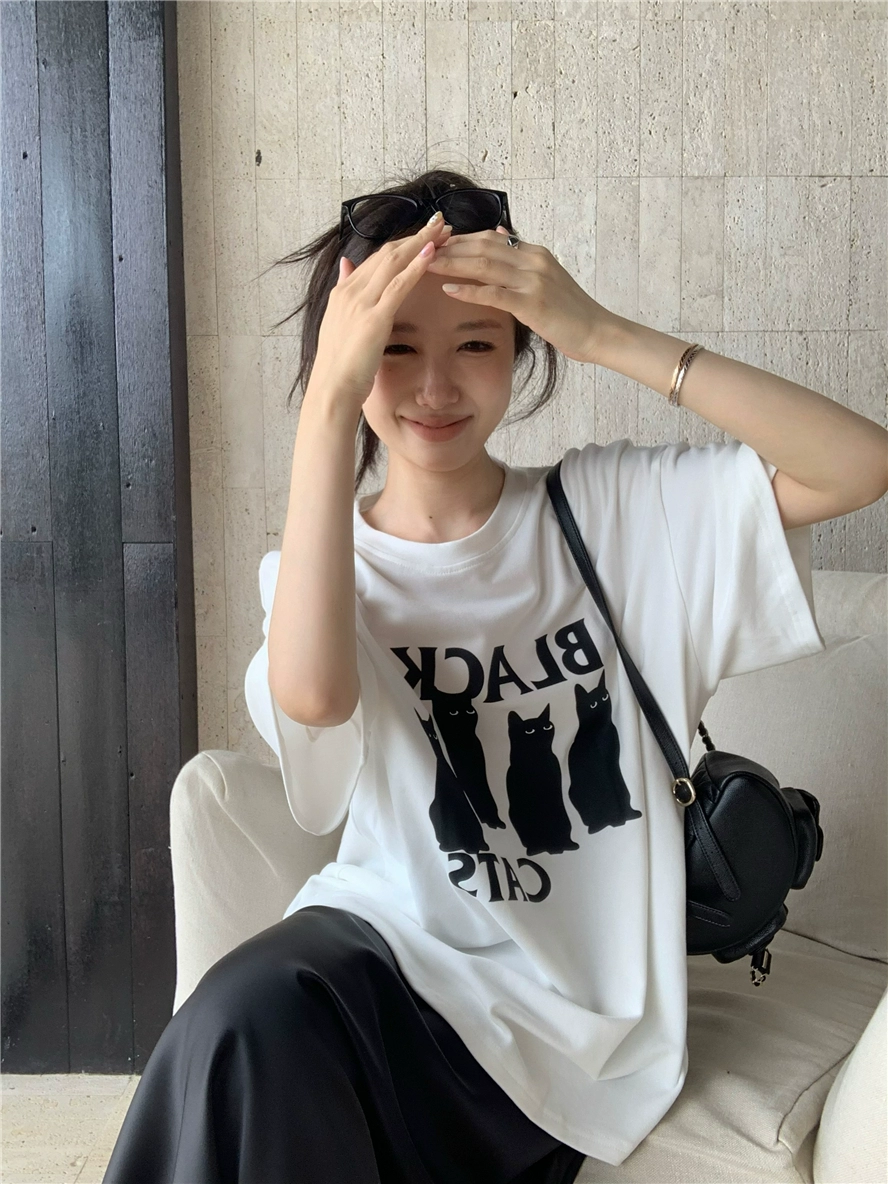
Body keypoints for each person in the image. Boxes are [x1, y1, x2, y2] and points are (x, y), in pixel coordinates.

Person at [104, 170, 888, 1184]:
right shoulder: (325, 561)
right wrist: (327, 405)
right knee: (239, 1022)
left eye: (475, 344)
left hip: (568, 1013)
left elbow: (856, 465)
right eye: (394, 348)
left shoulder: (615, 515)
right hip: (379, 948)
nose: (435, 388)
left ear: (522, 346)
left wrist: (600, 331)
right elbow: (314, 697)